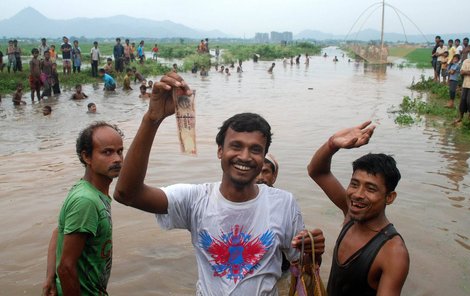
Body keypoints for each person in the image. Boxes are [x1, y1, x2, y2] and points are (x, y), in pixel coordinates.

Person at [113, 72, 325, 295]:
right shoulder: (195, 199)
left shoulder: (283, 203)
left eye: (255, 150)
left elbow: (304, 263)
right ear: (220, 151)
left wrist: (314, 248)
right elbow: (127, 194)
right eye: (236, 146)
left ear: (264, 157)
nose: (244, 156)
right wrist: (151, 119)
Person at [307, 121, 410, 296]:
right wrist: (332, 144)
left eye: (370, 189)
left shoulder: (393, 252)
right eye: (354, 184)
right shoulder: (351, 214)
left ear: (389, 197)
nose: (357, 194)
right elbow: (316, 171)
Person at [42, 122, 124, 296]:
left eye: (119, 151)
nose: (117, 158)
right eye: (107, 152)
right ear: (87, 157)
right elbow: (66, 267)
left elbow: (58, 232)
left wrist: (49, 276)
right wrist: (54, 275)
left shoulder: (89, 191)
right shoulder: (86, 201)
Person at [455, 55, 470, 123]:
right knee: (462, 101)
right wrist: (468, 72)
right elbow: (461, 72)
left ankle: (469, 117)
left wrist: (465, 72)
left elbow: (464, 72)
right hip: (465, 84)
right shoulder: (466, 61)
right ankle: (461, 117)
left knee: (469, 101)